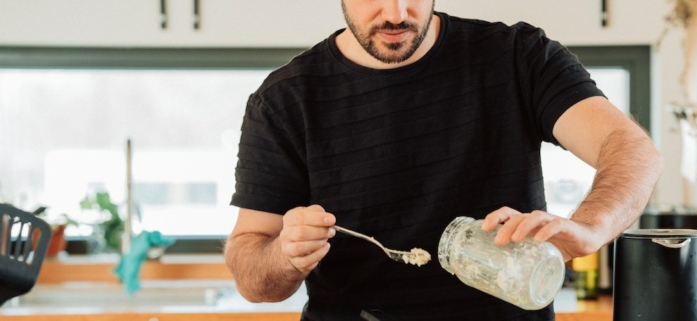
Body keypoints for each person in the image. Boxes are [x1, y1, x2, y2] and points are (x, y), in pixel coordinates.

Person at [224, 1, 663, 320]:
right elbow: (252, 274)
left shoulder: (516, 56)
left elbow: (632, 149)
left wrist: (591, 226)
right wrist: (284, 254)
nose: (395, 13)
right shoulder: (284, 101)